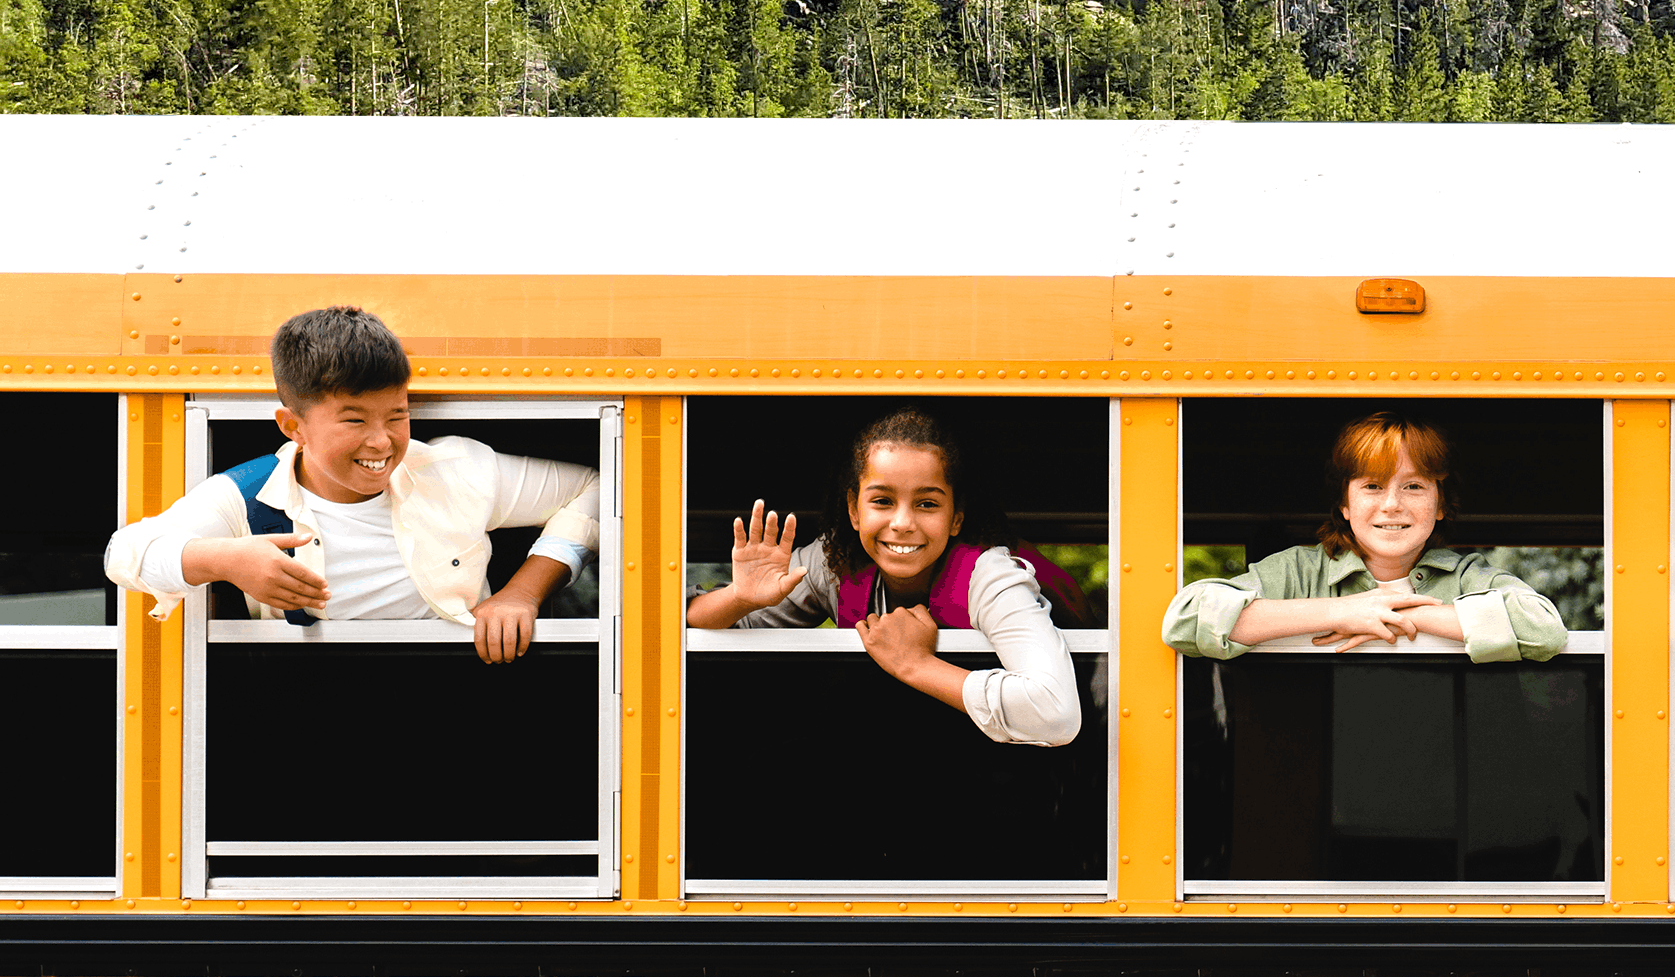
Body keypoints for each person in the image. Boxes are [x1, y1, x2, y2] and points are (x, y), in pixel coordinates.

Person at [103, 306, 597, 663]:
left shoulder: (455, 468)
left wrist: (523, 593)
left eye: (397, 416)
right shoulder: (246, 496)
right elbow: (125, 555)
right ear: (292, 426)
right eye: (354, 421)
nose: (381, 442)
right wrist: (227, 560)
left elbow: (597, 486)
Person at [688, 408, 1084, 747]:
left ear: (957, 516)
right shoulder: (832, 560)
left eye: (927, 504)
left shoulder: (990, 576)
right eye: (882, 501)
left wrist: (913, 664)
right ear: (854, 509)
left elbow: (1056, 712)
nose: (903, 523)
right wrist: (740, 597)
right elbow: (699, 623)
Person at [1162, 413, 1566, 662]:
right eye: (1372, 486)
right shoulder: (1297, 570)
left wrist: (1398, 613)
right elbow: (1185, 621)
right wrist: (1341, 611)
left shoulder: (1466, 576)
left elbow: (1543, 631)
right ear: (1344, 504)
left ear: (1441, 504)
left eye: (1414, 487)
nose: (1392, 504)